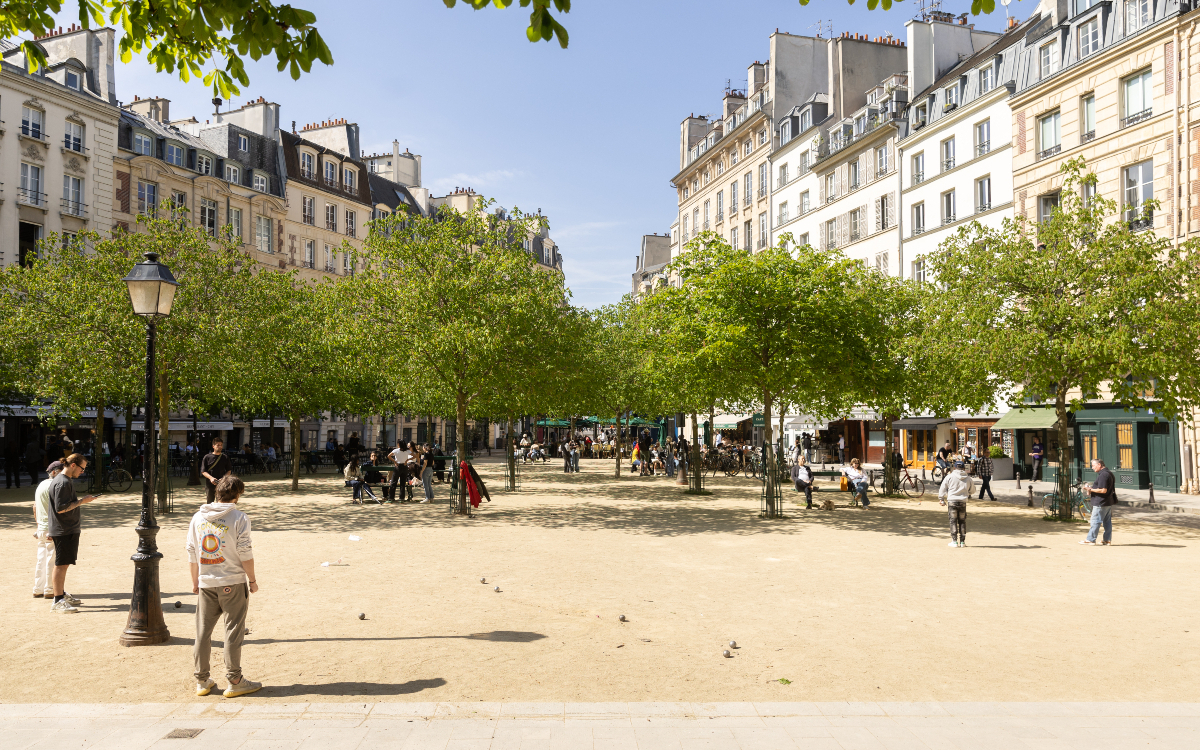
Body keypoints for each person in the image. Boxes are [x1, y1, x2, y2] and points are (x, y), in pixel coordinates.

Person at [187, 474, 262, 698]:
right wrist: (252, 580)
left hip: (207, 581)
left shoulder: (198, 517)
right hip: (232, 580)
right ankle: (235, 679)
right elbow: (245, 552)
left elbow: (192, 552)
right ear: (237, 495)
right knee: (233, 631)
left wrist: (195, 581)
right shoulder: (239, 517)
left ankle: (201, 680)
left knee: (202, 632)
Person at [47, 454, 96, 613]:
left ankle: (60, 594)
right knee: (61, 564)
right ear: (73, 465)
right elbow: (61, 508)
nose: (83, 472)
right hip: (64, 529)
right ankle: (57, 600)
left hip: (66, 529)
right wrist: (83, 501)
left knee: (63, 564)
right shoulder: (62, 482)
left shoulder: (64, 481)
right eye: (82, 468)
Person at [32, 461, 64, 598]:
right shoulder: (55, 486)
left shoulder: (41, 484)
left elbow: (34, 507)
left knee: (41, 558)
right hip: (51, 528)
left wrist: (38, 525)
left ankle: (38, 588)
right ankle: (50, 589)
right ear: (54, 472)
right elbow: (56, 510)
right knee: (52, 559)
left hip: (42, 528)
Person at [939, 459, 976, 547]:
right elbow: (973, 490)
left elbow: (942, 488)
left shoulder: (949, 477)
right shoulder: (968, 478)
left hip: (952, 501)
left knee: (953, 521)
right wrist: (966, 493)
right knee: (962, 521)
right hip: (963, 501)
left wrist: (941, 499)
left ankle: (954, 541)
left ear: (954, 467)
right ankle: (962, 542)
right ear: (963, 468)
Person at [1081, 458, 1116, 546]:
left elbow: (1103, 490)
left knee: (1095, 521)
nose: (1092, 468)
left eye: (1093, 466)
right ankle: (1107, 540)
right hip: (1108, 502)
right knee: (1107, 522)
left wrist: (1090, 489)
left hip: (1100, 502)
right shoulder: (1109, 473)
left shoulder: (1103, 475)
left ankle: (1090, 539)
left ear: (1099, 465)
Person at [200, 437, 232, 505]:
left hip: (222, 484)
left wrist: (224, 478)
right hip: (210, 484)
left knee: (221, 503)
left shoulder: (225, 457)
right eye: (218, 445)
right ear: (213, 446)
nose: (220, 447)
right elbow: (203, 471)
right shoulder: (207, 457)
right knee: (210, 503)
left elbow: (228, 470)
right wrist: (211, 478)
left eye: (221, 445)